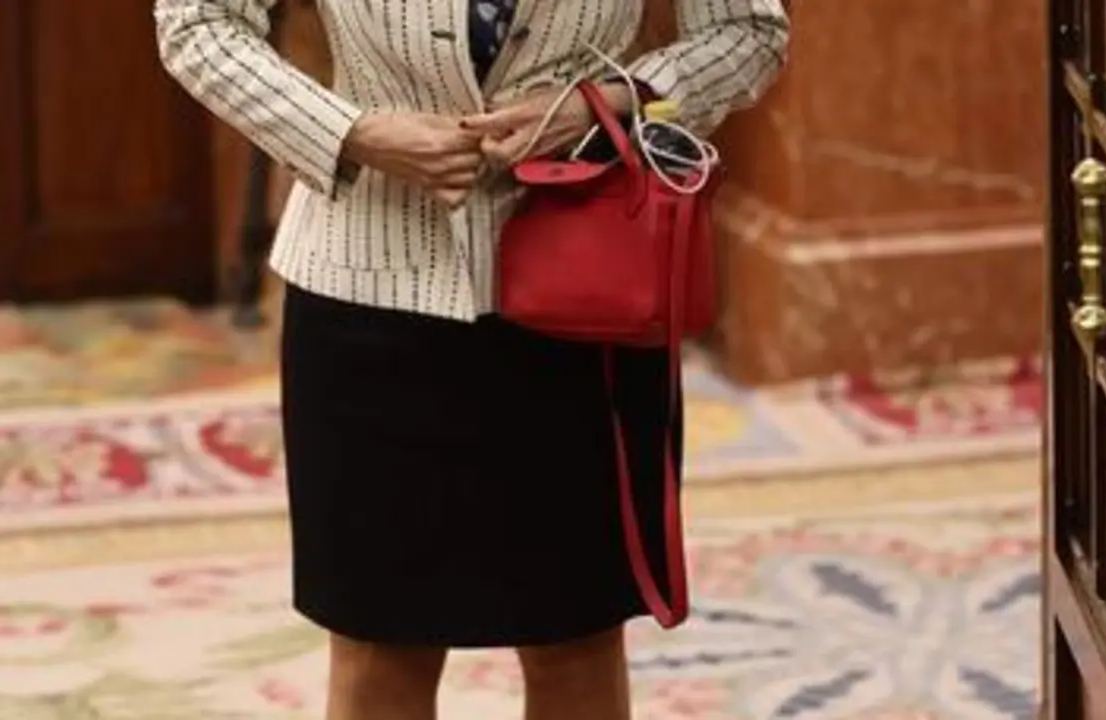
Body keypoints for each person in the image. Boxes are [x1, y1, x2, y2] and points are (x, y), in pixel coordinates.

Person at [152, 0, 788, 717]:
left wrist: (609, 103)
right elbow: (197, 21)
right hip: (365, 289)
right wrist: (350, 133)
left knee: (575, 641)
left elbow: (747, 33)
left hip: (588, 294)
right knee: (380, 649)